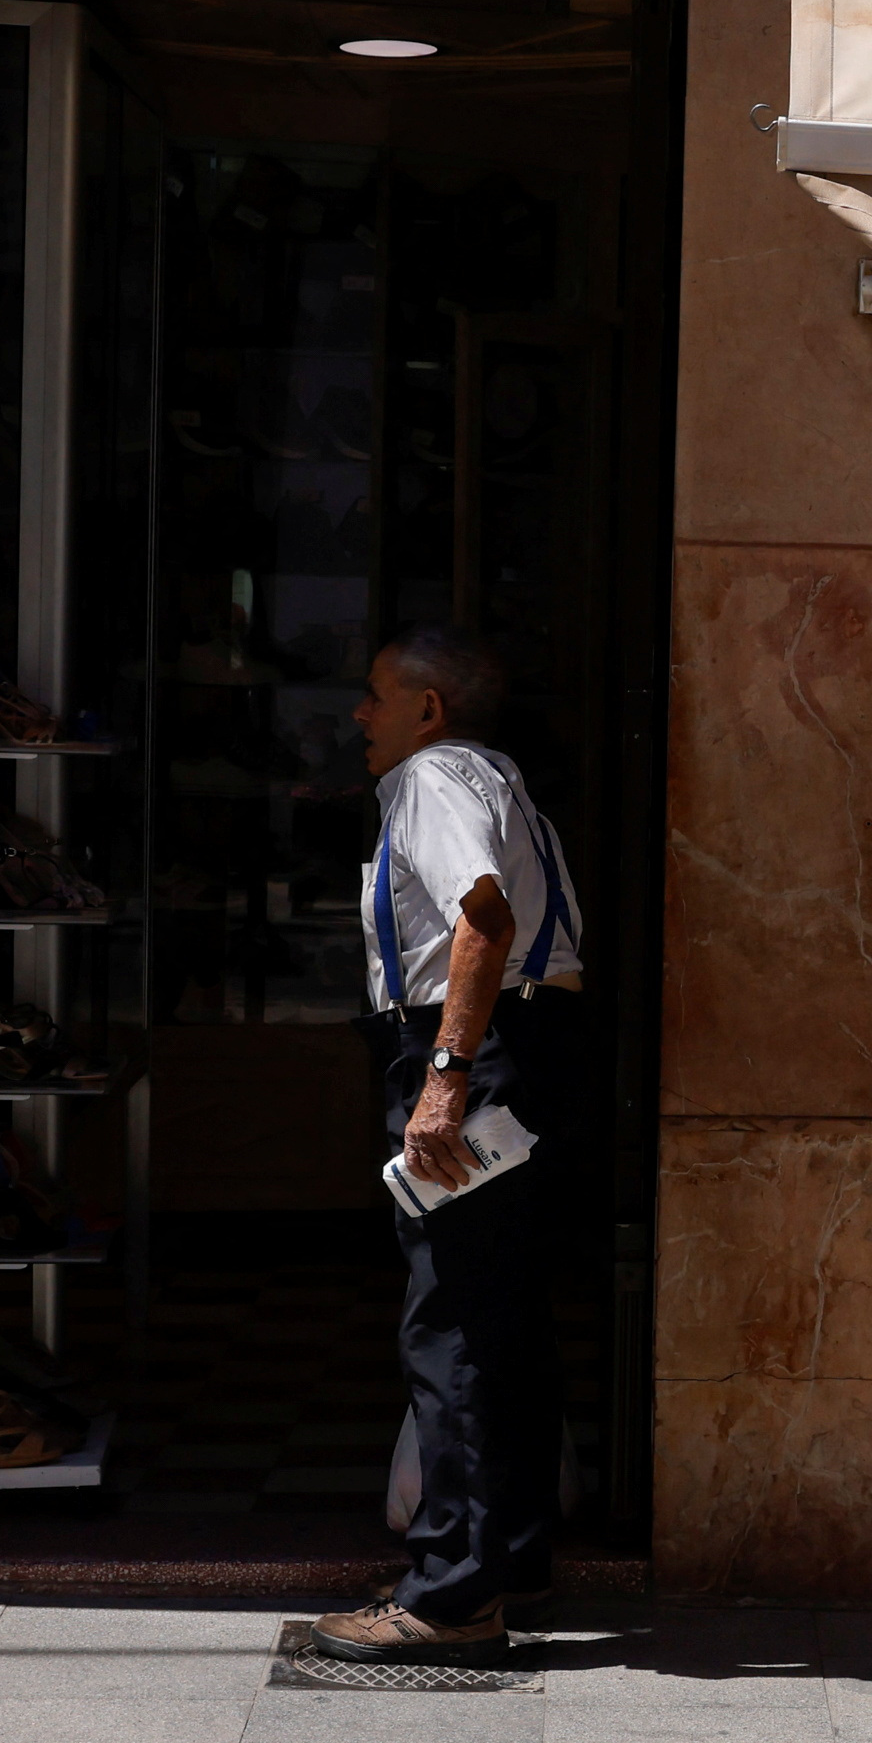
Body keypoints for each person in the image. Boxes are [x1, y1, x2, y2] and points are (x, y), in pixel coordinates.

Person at [290, 626, 588, 1668]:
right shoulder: (495, 774)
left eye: (378, 695)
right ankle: (503, 1556)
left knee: (452, 1321)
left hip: (475, 1042)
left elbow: (483, 918)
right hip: (526, 1042)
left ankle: (451, 1593)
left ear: (428, 708)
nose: (361, 715)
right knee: (500, 1316)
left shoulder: (432, 775)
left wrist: (447, 1074)